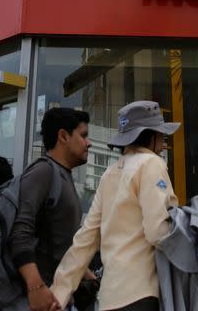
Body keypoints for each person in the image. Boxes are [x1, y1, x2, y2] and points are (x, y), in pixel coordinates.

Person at [51, 100, 180, 311]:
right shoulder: (152, 163)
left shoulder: (109, 173)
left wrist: (59, 293)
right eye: (162, 134)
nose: (163, 141)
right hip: (141, 294)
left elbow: (86, 238)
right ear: (152, 135)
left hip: (109, 299)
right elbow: (158, 232)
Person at [9, 107, 91, 311]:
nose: (88, 143)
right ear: (63, 136)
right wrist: (36, 287)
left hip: (57, 297)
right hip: (38, 299)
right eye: (83, 136)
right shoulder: (43, 171)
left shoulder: (62, 175)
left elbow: (57, 241)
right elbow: (20, 233)